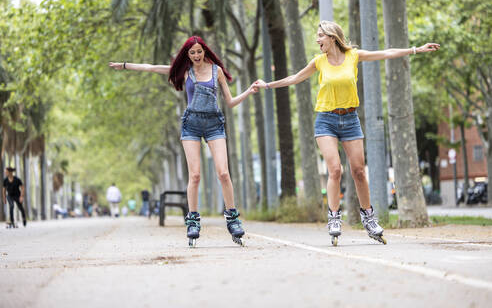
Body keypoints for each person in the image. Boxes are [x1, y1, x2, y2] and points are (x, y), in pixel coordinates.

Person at [254, 20, 440, 245]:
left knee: (359, 171)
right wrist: (267, 85)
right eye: (317, 35)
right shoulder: (318, 62)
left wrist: (415, 49)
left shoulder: (353, 56)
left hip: (350, 119)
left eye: (321, 35)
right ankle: (334, 218)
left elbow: (385, 53)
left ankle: (369, 218)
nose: (317, 39)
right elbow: (294, 78)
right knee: (335, 170)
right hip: (326, 120)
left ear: (332, 37)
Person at [109, 35, 257, 246]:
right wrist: (124, 65)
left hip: (215, 124)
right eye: (192, 53)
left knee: (223, 173)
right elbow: (151, 68)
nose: (196, 55)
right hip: (191, 125)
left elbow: (230, 102)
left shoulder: (217, 72)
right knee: (195, 175)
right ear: (187, 54)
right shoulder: (185, 71)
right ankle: (193, 221)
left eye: (199, 51)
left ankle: (232, 218)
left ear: (204, 51)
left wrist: (249, 91)